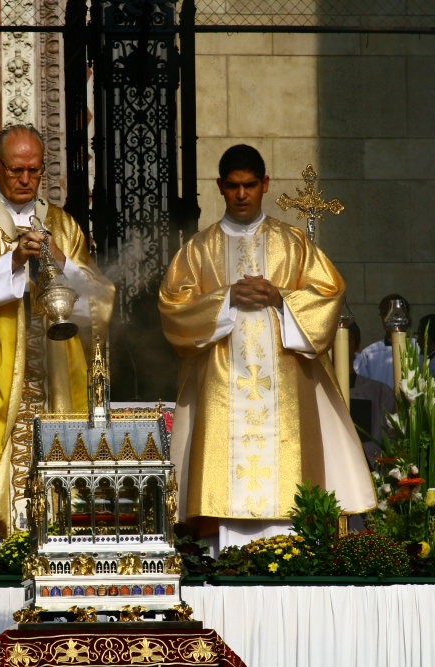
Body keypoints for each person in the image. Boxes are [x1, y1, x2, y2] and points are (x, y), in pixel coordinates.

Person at [158, 144, 375, 550]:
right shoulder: (199, 250)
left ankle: (294, 553)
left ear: (265, 184)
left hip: (284, 395)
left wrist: (282, 298)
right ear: (220, 186)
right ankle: (222, 554)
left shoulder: (293, 244)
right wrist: (225, 298)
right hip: (222, 392)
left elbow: (329, 294)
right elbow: (174, 308)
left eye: (250, 185)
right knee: (224, 498)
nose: (242, 195)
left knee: (290, 492)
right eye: (233, 186)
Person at [0, 124, 114, 545]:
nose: (26, 179)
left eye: (34, 170)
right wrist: (11, 262)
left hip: (52, 375)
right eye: (16, 170)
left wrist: (62, 260)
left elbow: (99, 303)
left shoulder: (62, 224)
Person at [347, 322, 396, 466]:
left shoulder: (380, 393)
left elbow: (391, 442)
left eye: (347, 338)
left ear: (356, 345)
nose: (338, 344)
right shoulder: (315, 392)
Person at [354, 293, 410, 388]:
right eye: (385, 313)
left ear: (406, 316)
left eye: (396, 314)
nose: (390, 318)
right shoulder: (369, 353)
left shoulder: (418, 348)